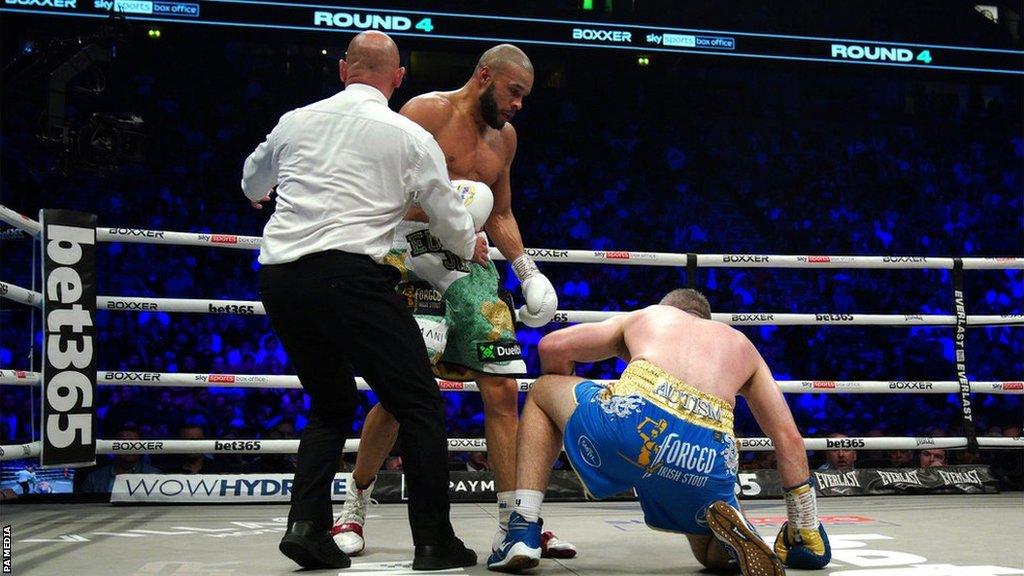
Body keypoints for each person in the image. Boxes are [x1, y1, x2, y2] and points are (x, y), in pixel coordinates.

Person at [242, 30, 487, 571]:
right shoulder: (407, 135)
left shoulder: (295, 120)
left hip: (281, 279)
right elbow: (448, 215)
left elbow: (251, 181)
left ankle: (307, 528)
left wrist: (268, 194)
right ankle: (433, 542)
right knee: (419, 403)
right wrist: (474, 244)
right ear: (398, 78)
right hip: (349, 277)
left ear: (342, 70)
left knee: (331, 403)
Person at [334, 44, 570, 559]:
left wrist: (528, 273)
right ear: (485, 76)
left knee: (504, 387)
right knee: (402, 392)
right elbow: (382, 191)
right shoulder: (425, 112)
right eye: (514, 93)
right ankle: (354, 503)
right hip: (412, 260)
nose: (518, 105)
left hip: (472, 269)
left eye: (524, 97)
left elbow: (500, 213)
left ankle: (517, 522)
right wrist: (449, 218)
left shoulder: (505, 139)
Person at [486, 289, 831, 575]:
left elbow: (552, 347)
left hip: (637, 424)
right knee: (707, 554)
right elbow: (789, 439)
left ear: (671, 308)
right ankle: (735, 539)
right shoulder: (742, 346)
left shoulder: (650, 316)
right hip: (707, 455)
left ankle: (522, 528)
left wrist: (564, 403)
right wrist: (804, 530)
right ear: (705, 318)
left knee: (544, 390)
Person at [79, 429, 161, 493]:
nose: (130, 449)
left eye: (135, 445)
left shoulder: (155, 475)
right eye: (125, 445)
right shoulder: (94, 479)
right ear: (114, 447)